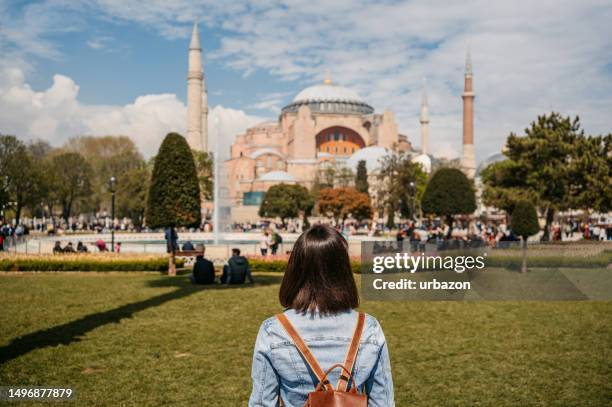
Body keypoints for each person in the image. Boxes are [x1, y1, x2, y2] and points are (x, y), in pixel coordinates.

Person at [248, 224, 394, 406]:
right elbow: (383, 402)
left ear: (295, 268)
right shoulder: (369, 328)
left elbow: (262, 403)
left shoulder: (274, 330)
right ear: (343, 269)